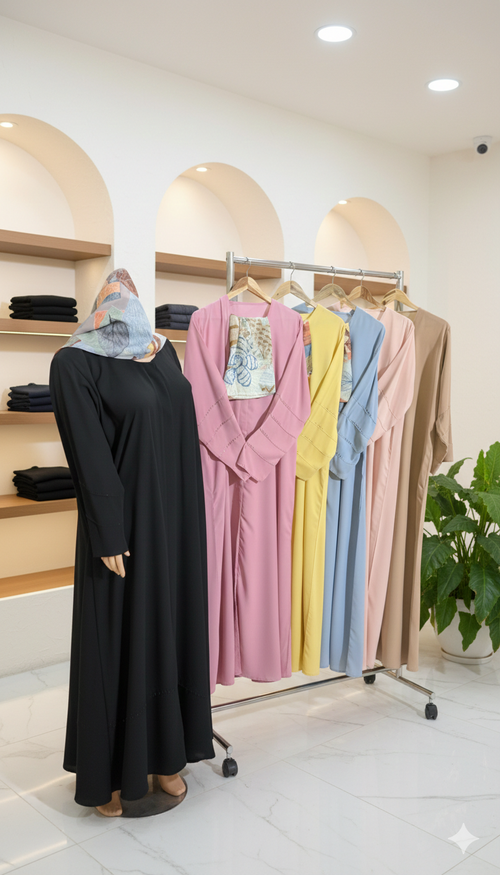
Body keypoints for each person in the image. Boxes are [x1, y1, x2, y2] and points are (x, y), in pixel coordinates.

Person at [50, 268, 214, 816]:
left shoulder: (163, 350)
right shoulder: (74, 361)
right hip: (122, 528)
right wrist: (108, 531)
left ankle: (167, 756)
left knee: (170, 630)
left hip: (176, 520)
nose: (126, 300)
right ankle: (114, 772)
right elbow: (88, 454)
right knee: (120, 639)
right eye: (115, 294)